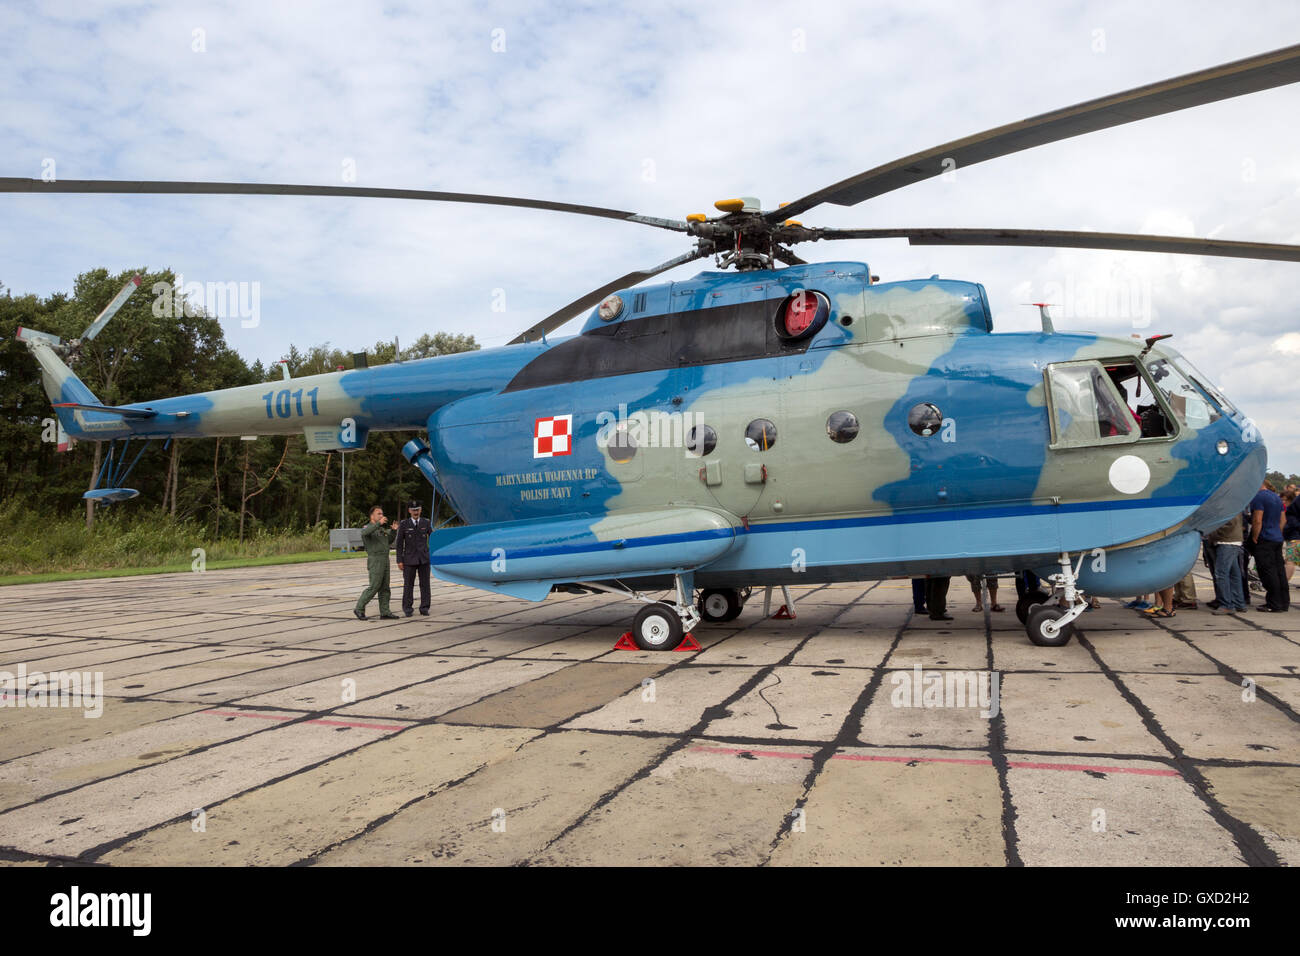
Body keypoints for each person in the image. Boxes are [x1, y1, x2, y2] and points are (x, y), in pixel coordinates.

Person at [354, 505, 399, 621]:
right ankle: (359, 608)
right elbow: (365, 533)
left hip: (385, 559)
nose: (381, 515)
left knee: (385, 587)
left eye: (382, 513)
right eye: (379, 513)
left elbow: (388, 541)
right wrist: (379, 523)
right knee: (374, 586)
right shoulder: (368, 527)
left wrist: (393, 531)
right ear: (372, 516)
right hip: (375, 560)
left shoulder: (381, 529)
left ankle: (385, 612)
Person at [1251, 481, 1289, 612]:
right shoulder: (1276, 497)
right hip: (1277, 538)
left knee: (1267, 571)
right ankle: (1284, 601)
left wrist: (1255, 536)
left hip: (1265, 538)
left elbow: (1257, 519)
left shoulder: (1259, 497)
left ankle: (1274, 603)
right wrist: (1278, 531)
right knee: (1280, 571)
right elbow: (1283, 519)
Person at [395, 499, 433, 617]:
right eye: (413, 510)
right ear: (409, 511)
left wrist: (432, 554)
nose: (415, 512)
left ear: (420, 510)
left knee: (425, 584)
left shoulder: (426, 523)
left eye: (417, 510)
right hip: (409, 560)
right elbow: (399, 543)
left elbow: (433, 539)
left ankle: (424, 607)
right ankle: (407, 608)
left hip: (424, 559)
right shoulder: (404, 524)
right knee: (408, 585)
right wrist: (399, 560)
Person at [1207, 513, 1246, 615]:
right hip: (1232, 541)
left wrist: (1212, 532)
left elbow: (1230, 523)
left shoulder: (1227, 504)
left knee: (1221, 573)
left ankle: (1226, 604)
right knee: (1234, 574)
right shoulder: (1234, 502)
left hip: (1226, 541)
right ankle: (1238, 602)